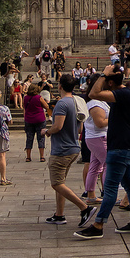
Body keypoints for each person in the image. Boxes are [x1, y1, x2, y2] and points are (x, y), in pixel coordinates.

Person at [72, 71, 130, 238]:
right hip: (126, 146)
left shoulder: (123, 94)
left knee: (110, 188)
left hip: (120, 148)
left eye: (104, 81)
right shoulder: (127, 94)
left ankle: (98, 225)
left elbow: (93, 94)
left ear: (110, 83)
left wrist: (103, 75)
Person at [43, 75, 86, 225]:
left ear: (59, 86)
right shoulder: (76, 102)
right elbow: (80, 128)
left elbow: (58, 126)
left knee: (56, 184)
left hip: (62, 148)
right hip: (73, 146)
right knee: (61, 183)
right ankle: (59, 214)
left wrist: (46, 132)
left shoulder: (62, 104)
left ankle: (84, 208)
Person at [22, 82, 48, 162]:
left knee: (29, 138)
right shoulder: (39, 97)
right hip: (39, 119)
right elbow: (46, 106)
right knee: (41, 138)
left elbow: (24, 106)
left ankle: (28, 157)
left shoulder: (25, 98)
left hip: (29, 119)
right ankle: (42, 156)